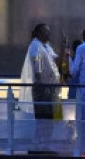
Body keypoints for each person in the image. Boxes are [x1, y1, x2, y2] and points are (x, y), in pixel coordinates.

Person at [20, 23, 62, 151]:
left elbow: (57, 61)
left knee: (49, 118)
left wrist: (64, 47)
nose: (48, 34)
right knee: (43, 118)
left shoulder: (47, 47)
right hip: (43, 88)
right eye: (45, 32)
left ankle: (45, 145)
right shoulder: (35, 46)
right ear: (39, 33)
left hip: (50, 87)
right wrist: (40, 81)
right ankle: (39, 145)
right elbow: (37, 64)